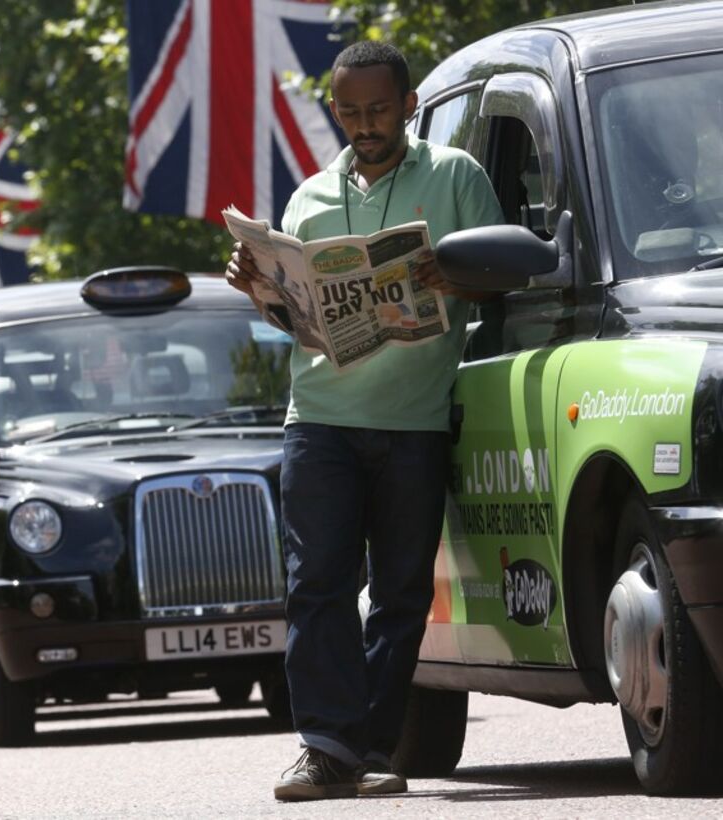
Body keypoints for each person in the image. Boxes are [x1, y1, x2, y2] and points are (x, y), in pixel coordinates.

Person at [226, 41, 502, 801]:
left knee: (401, 592)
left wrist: (460, 277)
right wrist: (261, 289)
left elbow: (501, 281)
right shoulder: (309, 198)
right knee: (317, 583)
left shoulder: (455, 177)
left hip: (414, 421)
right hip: (318, 418)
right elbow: (297, 316)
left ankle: (372, 749)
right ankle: (322, 746)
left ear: (409, 106)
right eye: (349, 112)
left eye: (378, 110)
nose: (364, 124)